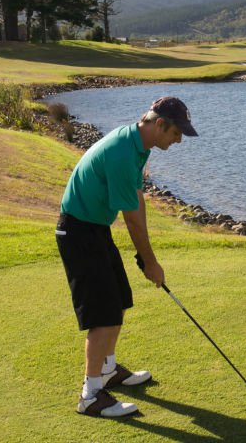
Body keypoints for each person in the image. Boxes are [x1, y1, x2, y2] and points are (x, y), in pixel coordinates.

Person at [55, 96, 198, 417]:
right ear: (160, 124)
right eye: (176, 133)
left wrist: (148, 258)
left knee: (118, 300)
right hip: (78, 232)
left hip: (93, 228)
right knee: (102, 315)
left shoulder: (138, 145)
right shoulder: (123, 152)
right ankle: (91, 395)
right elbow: (131, 219)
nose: (178, 141)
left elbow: (137, 199)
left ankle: (106, 370)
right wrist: (150, 261)